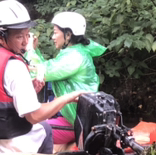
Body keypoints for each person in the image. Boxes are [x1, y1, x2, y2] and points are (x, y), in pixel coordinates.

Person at [0, 0, 85, 155]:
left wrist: (30, 90)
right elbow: (34, 116)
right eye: (19, 37)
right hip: (13, 146)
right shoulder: (15, 66)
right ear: (0, 37)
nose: (26, 42)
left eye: (27, 35)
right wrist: (67, 98)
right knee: (45, 128)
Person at [28, 12, 106, 145]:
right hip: (70, 118)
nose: (53, 37)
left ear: (68, 35)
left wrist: (29, 49)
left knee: (26, 132)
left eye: (55, 32)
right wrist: (34, 51)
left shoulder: (75, 57)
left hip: (74, 122)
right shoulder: (74, 53)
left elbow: (38, 73)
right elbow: (46, 67)